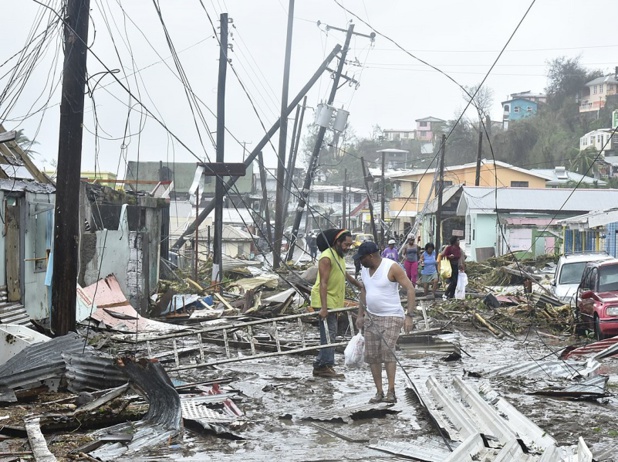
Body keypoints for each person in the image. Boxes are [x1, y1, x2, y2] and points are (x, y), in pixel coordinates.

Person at [354, 241, 415, 404]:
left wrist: (409, 315)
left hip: (392, 316)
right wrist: (360, 314)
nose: (360, 261)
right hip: (372, 316)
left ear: (371, 256)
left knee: (387, 352)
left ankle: (391, 391)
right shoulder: (365, 271)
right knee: (372, 355)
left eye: (362, 258)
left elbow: (410, 288)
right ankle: (379, 392)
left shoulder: (391, 267)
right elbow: (364, 291)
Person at [311, 229, 363, 378]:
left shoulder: (339, 257)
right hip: (325, 300)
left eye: (349, 245)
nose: (347, 248)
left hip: (334, 300)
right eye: (345, 244)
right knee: (328, 333)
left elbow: (344, 274)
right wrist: (324, 307)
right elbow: (323, 283)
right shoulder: (326, 257)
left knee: (331, 333)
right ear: (337, 242)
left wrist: (359, 285)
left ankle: (325, 364)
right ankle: (323, 365)